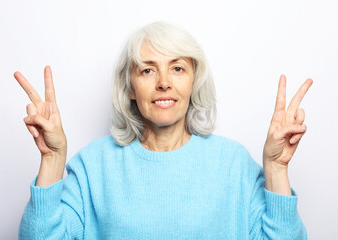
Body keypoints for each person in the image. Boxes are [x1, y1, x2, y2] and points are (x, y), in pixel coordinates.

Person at [16, 22, 312, 239]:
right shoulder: (93, 167)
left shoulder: (233, 164)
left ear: (194, 81)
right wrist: (53, 159)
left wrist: (276, 167)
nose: (163, 82)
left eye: (178, 68)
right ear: (130, 87)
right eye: (147, 69)